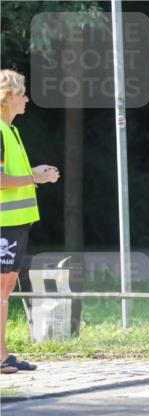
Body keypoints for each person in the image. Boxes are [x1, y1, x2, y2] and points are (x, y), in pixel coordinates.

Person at [1, 70, 60, 374]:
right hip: (3, 224)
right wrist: (34, 177)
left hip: (16, 224)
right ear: (7, 97)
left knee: (5, 289)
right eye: (22, 93)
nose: (26, 98)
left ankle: (3, 354)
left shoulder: (11, 131)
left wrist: (34, 172)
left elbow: (14, 175)